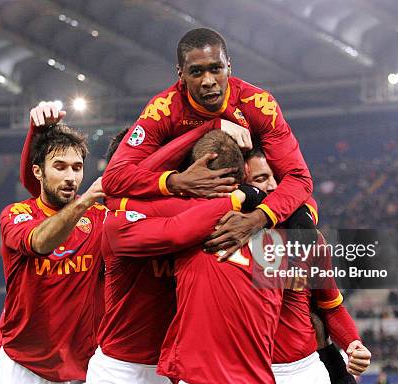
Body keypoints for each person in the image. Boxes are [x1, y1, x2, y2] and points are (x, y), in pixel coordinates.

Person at [102, 27, 313, 259]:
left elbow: (298, 178)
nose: (208, 81)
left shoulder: (258, 105)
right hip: (184, 206)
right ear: (180, 74)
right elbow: (114, 178)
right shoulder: (163, 109)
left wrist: (257, 219)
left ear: (228, 66)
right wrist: (176, 181)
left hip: (248, 203)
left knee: (306, 217)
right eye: (196, 72)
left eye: (216, 69)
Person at [88, 131, 264, 384]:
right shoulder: (117, 219)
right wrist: (242, 197)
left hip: (174, 371)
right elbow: (178, 229)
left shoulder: (197, 210)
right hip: (120, 371)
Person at [0, 102, 107, 384]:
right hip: (26, 363)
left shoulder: (99, 218)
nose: (71, 177)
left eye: (77, 167)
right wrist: (84, 202)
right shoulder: (16, 214)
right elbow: (39, 242)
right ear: (38, 172)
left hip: (83, 365)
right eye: (59, 167)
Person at [244, 148, 371, 384]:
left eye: (276, 178)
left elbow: (332, 306)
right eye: (260, 179)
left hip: (307, 369)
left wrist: (353, 343)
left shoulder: (310, 239)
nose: (272, 186)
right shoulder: (226, 240)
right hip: (248, 372)